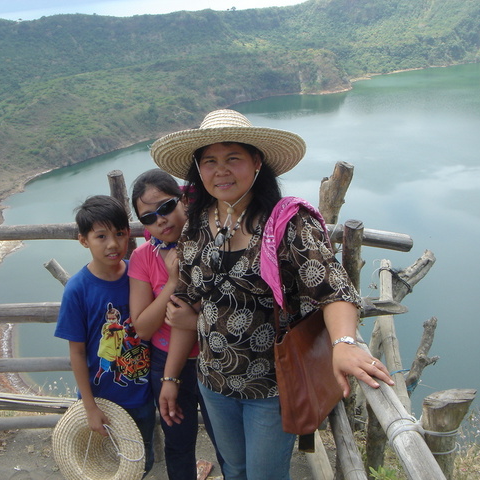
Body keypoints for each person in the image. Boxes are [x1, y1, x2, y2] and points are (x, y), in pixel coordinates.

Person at [150, 109, 394, 480]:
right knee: (234, 469)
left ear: (257, 162)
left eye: (233, 158)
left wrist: (344, 341)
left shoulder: (288, 223)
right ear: (198, 169)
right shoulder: (197, 225)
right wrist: (170, 379)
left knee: (265, 475)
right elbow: (184, 307)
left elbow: (334, 289)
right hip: (213, 381)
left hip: (271, 386)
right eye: (210, 161)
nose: (221, 170)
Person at [128, 168, 219, 480]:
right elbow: (142, 328)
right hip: (166, 360)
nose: (161, 220)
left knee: (227, 442)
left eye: (166, 207)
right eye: (149, 217)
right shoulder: (143, 258)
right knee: (178, 444)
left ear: (183, 201)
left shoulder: (211, 244)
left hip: (214, 356)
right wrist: (171, 282)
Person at [54, 195, 155, 474]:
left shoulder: (138, 274)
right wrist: (89, 407)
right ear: (84, 240)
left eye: (119, 234)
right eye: (101, 236)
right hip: (102, 399)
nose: (113, 244)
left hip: (141, 393)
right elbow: (76, 352)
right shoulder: (78, 289)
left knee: (141, 461)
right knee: (102, 466)